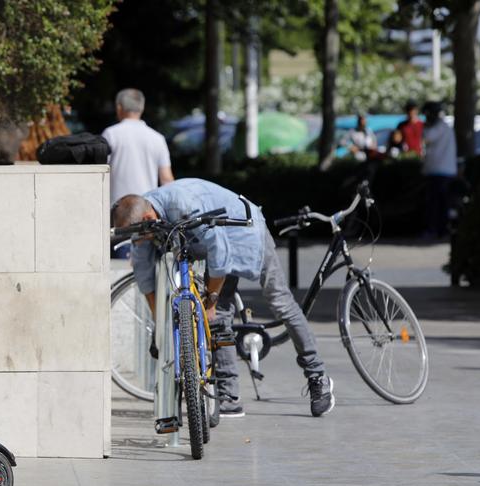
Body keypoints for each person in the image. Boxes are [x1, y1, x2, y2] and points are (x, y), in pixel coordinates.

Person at [112, 179, 335, 418]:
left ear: (148, 219)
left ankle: (317, 376)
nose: (138, 243)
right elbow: (145, 274)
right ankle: (229, 395)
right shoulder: (140, 220)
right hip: (208, 244)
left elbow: (220, 251)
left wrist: (211, 301)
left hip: (244, 228)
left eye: (139, 238)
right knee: (219, 317)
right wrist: (159, 325)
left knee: (280, 302)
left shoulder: (182, 204)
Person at [102, 88, 174, 258]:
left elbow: (99, 175)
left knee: (121, 267)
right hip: (148, 214)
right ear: (141, 108)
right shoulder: (157, 138)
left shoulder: (110, 135)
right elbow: (167, 179)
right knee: (147, 266)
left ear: (119, 107)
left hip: (119, 216)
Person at [421, 101, 458, 240]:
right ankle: (441, 230)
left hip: (439, 171)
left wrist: (425, 126)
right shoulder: (445, 127)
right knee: (442, 203)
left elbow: (428, 137)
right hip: (443, 171)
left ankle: (435, 230)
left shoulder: (439, 127)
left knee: (436, 204)